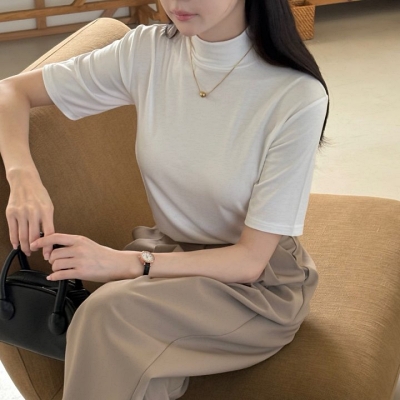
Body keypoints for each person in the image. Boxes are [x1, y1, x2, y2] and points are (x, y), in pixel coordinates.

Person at [0, 0, 329, 399]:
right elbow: (10, 91)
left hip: (256, 289)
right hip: (171, 259)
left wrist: (126, 263)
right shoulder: (148, 52)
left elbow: (249, 261)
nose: (175, 3)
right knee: (131, 359)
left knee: (107, 313)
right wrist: (23, 177)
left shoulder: (296, 96)